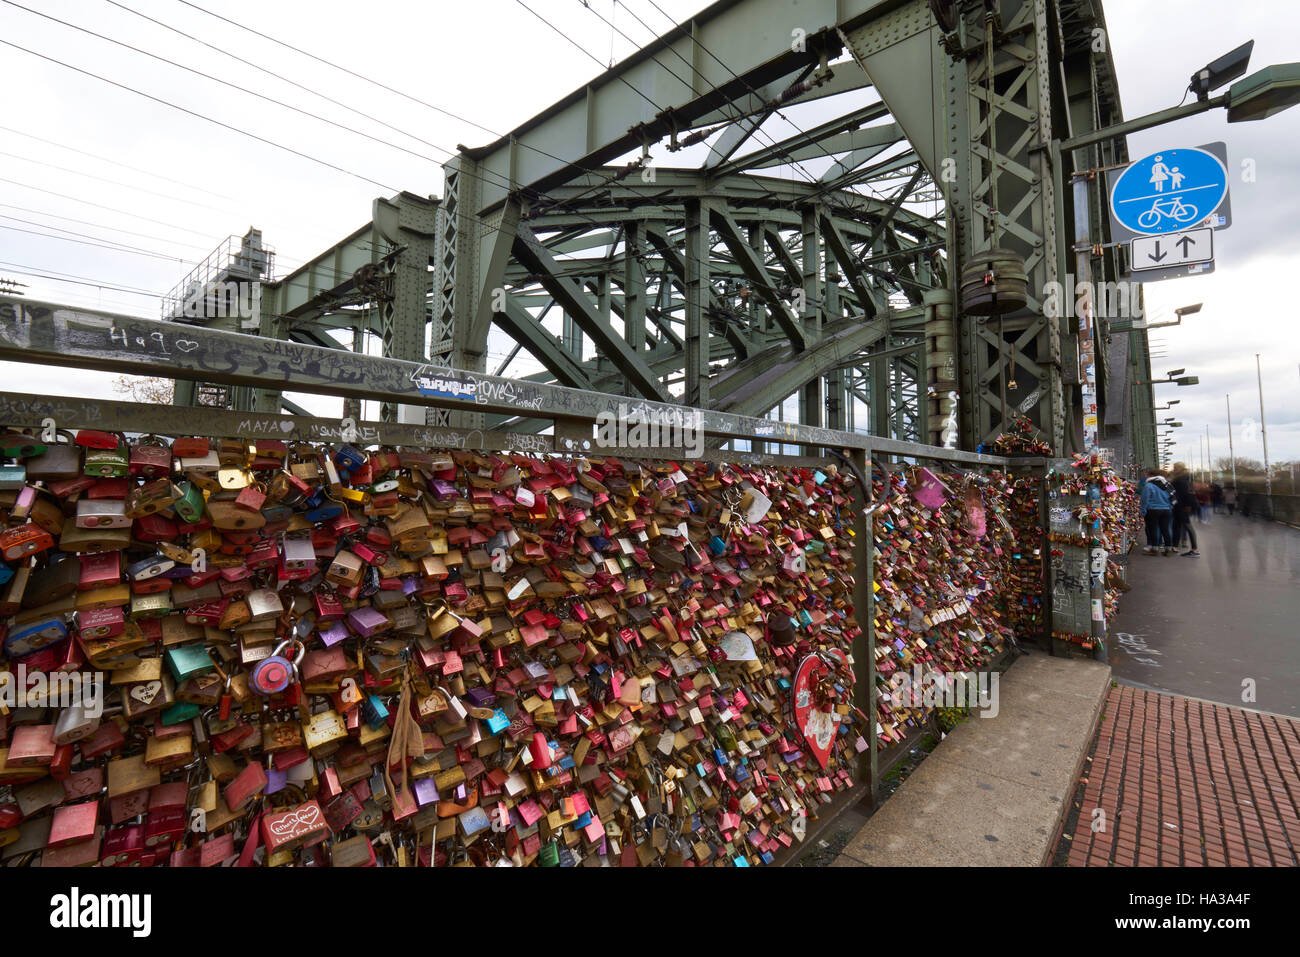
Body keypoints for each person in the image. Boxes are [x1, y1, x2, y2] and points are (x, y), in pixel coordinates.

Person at [1139, 468, 1175, 555]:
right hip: (1166, 510)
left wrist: (1143, 511)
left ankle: (1155, 549)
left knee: (1153, 529)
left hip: (1153, 510)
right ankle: (1168, 549)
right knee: (1166, 529)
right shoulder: (1167, 484)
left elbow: (1145, 499)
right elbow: (1172, 497)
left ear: (1151, 475)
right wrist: (1169, 507)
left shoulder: (1149, 485)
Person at [1169, 462, 1200, 556]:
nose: (1174, 469)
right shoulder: (1184, 478)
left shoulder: (1181, 480)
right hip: (1179, 506)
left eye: (1175, 467)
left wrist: (1187, 505)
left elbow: (1186, 494)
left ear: (1180, 468)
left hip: (1182, 506)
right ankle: (1174, 547)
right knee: (1177, 526)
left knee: (1187, 525)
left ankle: (1195, 550)